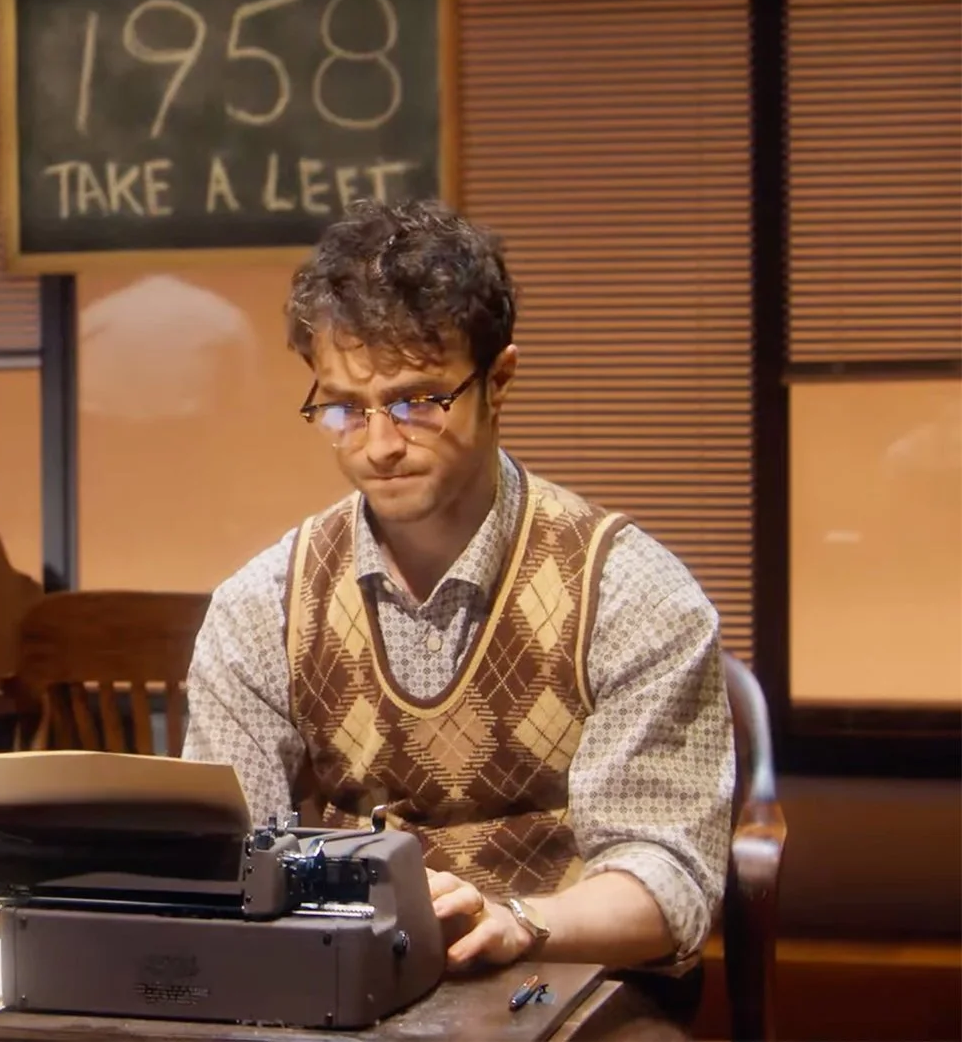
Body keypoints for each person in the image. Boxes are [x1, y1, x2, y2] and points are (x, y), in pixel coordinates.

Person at [180, 199, 735, 982]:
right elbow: (231, 860)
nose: (380, 445)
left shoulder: (632, 593)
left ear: (497, 381)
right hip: (349, 984)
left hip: (576, 982)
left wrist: (520, 922)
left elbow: (670, 879)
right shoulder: (262, 607)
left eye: (417, 402)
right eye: (345, 408)